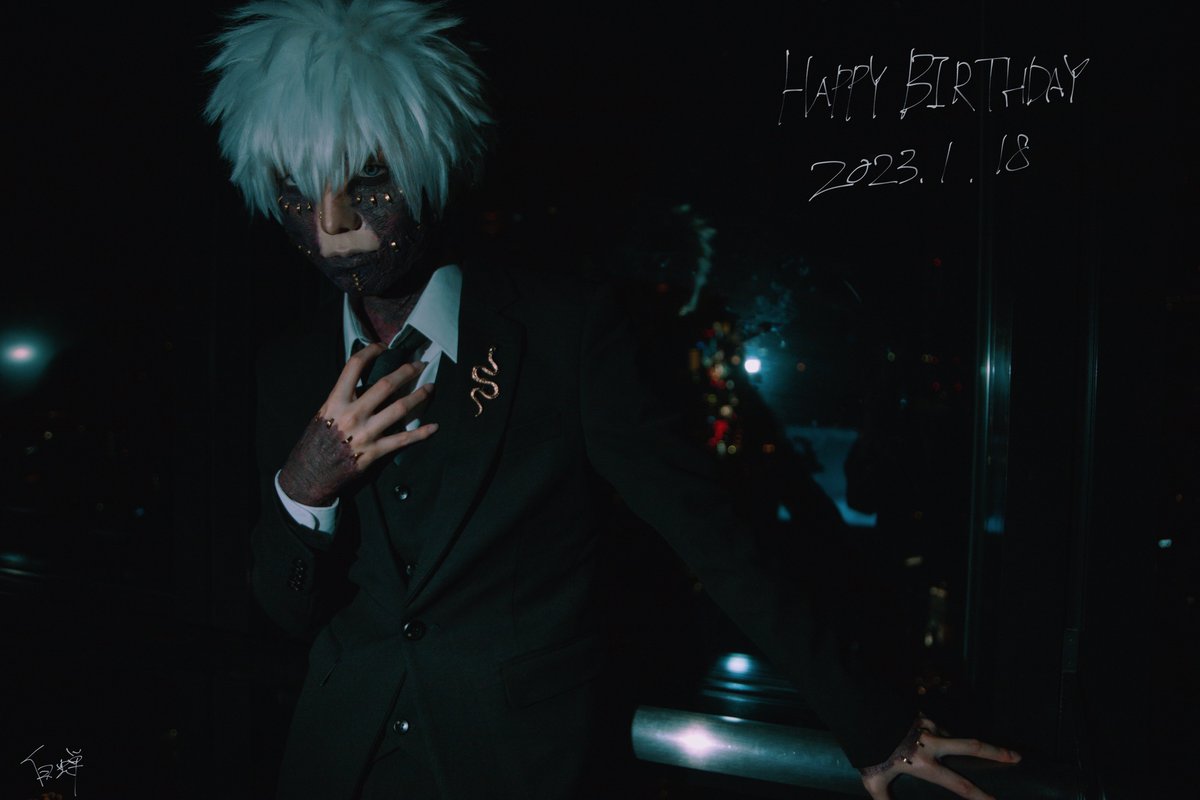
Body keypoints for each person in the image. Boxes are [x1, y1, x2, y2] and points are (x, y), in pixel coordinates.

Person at [205, 1, 1020, 798]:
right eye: (297, 189)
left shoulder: (562, 335)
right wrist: (301, 489)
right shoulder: (289, 369)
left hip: (518, 769)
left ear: (432, 160)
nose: (333, 224)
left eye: (370, 177)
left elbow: (712, 535)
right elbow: (282, 615)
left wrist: (875, 724)